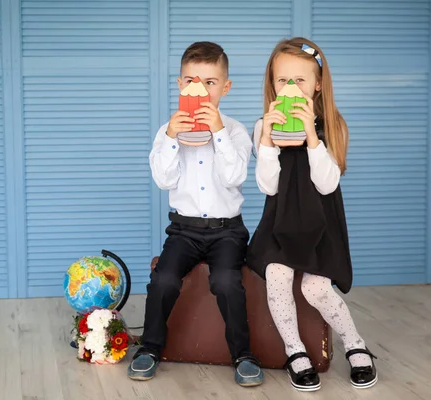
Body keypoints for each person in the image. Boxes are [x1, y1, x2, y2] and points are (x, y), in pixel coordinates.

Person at [127, 41, 263, 387]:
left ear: (226, 88)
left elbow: (234, 177)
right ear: (179, 85)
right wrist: (173, 135)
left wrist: (217, 132)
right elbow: (163, 179)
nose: (199, 89)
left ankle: (243, 354)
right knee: (164, 279)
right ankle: (150, 347)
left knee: (226, 282)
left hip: (227, 231)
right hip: (184, 230)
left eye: (210, 83)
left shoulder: (233, 132)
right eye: (190, 80)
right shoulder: (168, 130)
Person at [247, 37, 378, 392]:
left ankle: (355, 343)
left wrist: (310, 136)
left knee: (316, 288)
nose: (291, 88)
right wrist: (269, 142)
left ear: (318, 84)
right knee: (276, 276)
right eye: (282, 80)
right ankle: (295, 351)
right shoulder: (263, 126)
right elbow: (268, 187)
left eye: (300, 80)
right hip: (280, 223)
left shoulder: (332, 125)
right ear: (272, 86)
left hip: (321, 225)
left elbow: (326, 184)